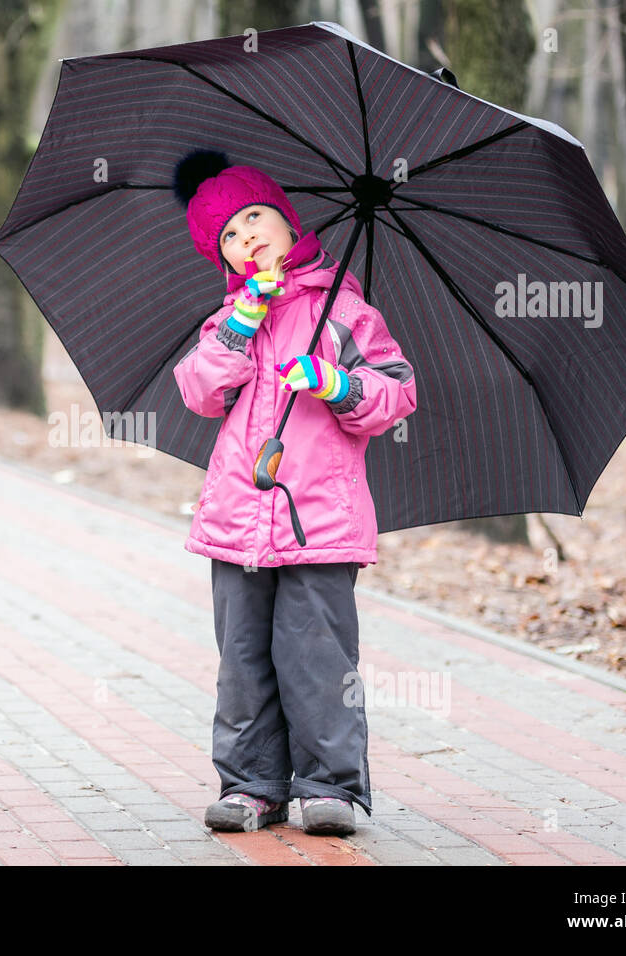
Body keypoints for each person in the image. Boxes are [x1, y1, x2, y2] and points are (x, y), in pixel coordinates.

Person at [171, 149, 418, 836]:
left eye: (255, 217)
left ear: (287, 222)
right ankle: (252, 784)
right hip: (237, 520)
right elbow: (199, 389)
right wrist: (242, 320)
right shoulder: (226, 321)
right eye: (229, 234)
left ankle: (328, 786)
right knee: (243, 662)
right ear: (222, 259)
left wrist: (339, 384)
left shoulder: (344, 309)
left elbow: (398, 390)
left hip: (319, 520)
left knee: (317, 658)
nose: (247, 235)